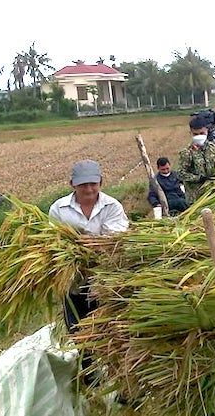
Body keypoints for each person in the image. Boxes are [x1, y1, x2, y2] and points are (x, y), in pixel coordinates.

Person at [48, 159, 129, 384]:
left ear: (101, 182)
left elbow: (117, 241)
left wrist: (94, 243)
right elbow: (52, 243)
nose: (89, 189)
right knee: (79, 331)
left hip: (104, 282)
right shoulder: (59, 209)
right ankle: (91, 376)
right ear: (72, 184)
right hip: (73, 282)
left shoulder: (112, 207)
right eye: (83, 185)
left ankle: (119, 377)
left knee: (109, 329)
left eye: (93, 184)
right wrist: (84, 244)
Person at [178, 115, 215, 204]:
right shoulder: (187, 152)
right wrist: (198, 178)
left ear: (207, 131)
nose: (199, 136)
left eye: (202, 133)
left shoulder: (214, 148)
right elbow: (181, 174)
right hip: (196, 198)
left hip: (213, 195)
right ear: (191, 133)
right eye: (195, 134)